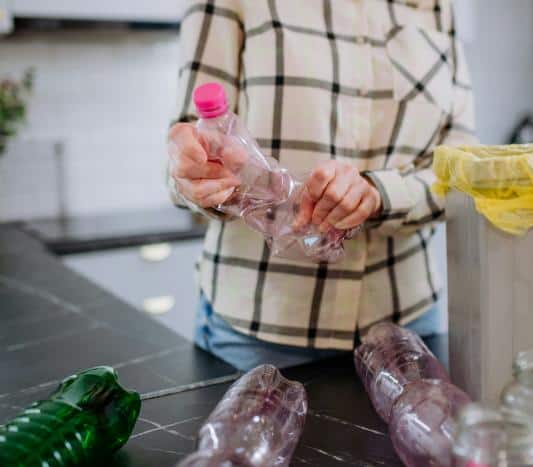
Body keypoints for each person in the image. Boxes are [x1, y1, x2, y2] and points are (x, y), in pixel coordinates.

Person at [167, 0, 475, 371]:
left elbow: (461, 172)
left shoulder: (437, 6)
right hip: (260, 332)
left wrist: (378, 194)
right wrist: (196, 172)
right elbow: (190, 144)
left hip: (407, 323)